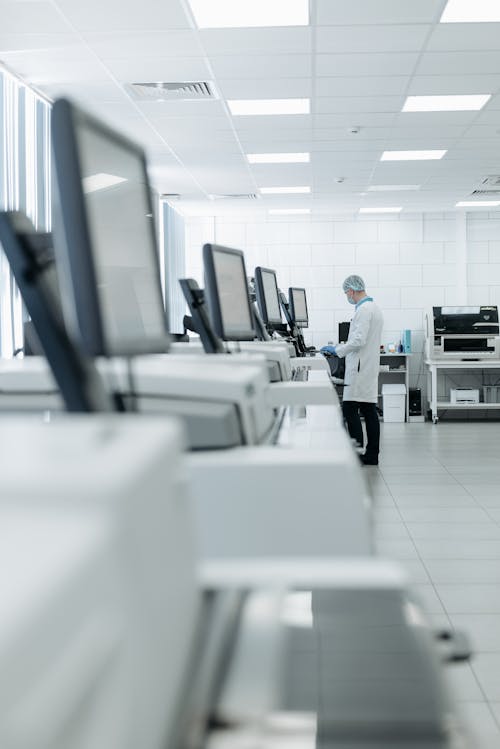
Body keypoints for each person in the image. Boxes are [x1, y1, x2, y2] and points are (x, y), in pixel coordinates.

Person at [322, 275, 383, 465]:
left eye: (346, 292)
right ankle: (371, 454)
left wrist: (337, 350)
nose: (347, 296)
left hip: (360, 368)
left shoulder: (364, 310)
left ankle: (359, 453)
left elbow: (358, 340)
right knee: (368, 409)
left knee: (350, 408)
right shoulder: (373, 308)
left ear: (352, 290)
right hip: (365, 365)